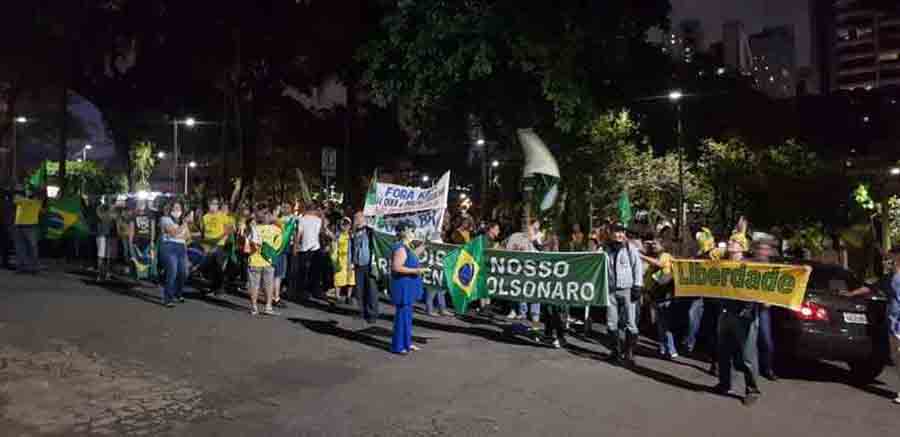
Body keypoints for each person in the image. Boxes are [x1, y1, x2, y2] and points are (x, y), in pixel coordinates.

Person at [714, 220, 762, 406]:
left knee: (748, 356)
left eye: (733, 242)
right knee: (723, 352)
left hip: (744, 315)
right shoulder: (723, 264)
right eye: (730, 241)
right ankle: (725, 384)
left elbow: (757, 290)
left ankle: (752, 390)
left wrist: (748, 309)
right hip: (725, 312)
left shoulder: (749, 266)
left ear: (742, 247)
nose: (730, 244)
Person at [604, 223, 644, 366]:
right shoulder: (605, 249)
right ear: (610, 233)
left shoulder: (630, 248)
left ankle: (629, 353)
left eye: (621, 232)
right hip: (610, 290)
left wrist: (637, 286)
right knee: (611, 322)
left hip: (628, 289)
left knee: (630, 323)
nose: (619, 235)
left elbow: (637, 267)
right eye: (616, 232)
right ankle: (615, 352)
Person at [390, 221, 427, 355]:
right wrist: (416, 271)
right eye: (411, 230)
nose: (413, 233)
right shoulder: (400, 247)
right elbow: (397, 267)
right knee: (402, 316)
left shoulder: (407, 246)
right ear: (403, 232)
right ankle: (398, 346)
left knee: (407, 316)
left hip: (408, 285)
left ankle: (407, 343)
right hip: (402, 285)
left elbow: (414, 255)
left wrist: (425, 244)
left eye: (413, 230)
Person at [642, 238, 677, 359]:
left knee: (665, 324)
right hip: (656, 294)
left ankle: (671, 349)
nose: (653, 246)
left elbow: (660, 265)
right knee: (660, 324)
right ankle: (663, 348)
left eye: (655, 244)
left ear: (663, 245)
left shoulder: (665, 255)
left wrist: (643, 257)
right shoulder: (657, 256)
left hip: (664, 294)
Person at [751, 236, 779, 381]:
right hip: (749, 306)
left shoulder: (774, 267)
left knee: (766, 340)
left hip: (763, 308)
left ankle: (767, 368)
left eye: (766, 249)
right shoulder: (750, 264)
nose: (764, 252)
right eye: (761, 249)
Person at [247, 205, 282, 316]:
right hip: (269, 260)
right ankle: (268, 307)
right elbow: (279, 245)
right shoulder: (276, 229)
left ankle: (254, 307)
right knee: (268, 285)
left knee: (254, 285)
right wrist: (271, 253)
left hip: (254, 260)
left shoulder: (254, 228)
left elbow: (248, 243)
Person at [158, 202, 191, 307]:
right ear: (171, 209)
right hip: (169, 247)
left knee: (184, 272)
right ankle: (168, 299)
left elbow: (187, 237)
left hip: (181, 248)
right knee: (172, 272)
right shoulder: (165, 219)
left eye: (179, 208)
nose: (177, 210)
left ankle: (178, 293)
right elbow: (173, 232)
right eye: (175, 208)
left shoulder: (182, 222)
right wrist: (184, 225)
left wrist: (180, 232)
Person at [201, 198, 234, 296]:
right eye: (211, 203)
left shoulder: (222, 216)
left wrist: (222, 237)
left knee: (218, 267)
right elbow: (203, 231)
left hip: (219, 245)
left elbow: (230, 228)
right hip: (208, 245)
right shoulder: (205, 217)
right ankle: (213, 287)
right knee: (210, 268)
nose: (213, 206)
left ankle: (219, 289)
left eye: (215, 204)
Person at [352, 211, 379, 324]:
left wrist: (368, 225)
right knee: (360, 290)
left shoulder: (369, 231)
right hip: (358, 264)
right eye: (355, 218)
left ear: (363, 219)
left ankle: (372, 314)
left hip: (369, 264)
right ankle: (362, 311)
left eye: (358, 218)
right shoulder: (355, 232)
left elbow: (376, 232)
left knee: (371, 290)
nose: (356, 220)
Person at [294, 203, 323, 301]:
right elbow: (319, 233)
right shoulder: (318, 220)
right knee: (314, 271)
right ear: (314, 210)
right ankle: (313, 290)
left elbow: (299, 234)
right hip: (315, 247)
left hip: (304, 248)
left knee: (302, 271)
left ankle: (301, 291)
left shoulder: (302, 219)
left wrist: (295, 246)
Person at [13, 185, 43, 274]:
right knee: (23, 248)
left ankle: (32, 267)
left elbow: (16, 199)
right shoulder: (33, 201)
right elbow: (16, 200)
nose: (29, 192)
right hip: (21, 225)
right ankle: (24, 267)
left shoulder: (36, 201)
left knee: (29, 247)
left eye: (30, 191)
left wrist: (23, 197)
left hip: (29, 226)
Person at [129, 199, 156, 279]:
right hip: (137, 241)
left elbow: (152, 228)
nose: (141, 204)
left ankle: (146, 275)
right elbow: (131, 229)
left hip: (147, 240)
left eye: (143, 202)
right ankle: (138, 275)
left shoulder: (150, 215)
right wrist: (130, 242)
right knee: (137, 259)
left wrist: (152, 240)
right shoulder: (133, 215)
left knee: (147, 258)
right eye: (139, 203)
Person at [332, 217, 356, 304]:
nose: (345, 226)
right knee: (338, 278)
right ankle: (337, 296)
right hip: (340, 259)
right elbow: (334, 247)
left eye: (347, 224)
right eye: (343, 224)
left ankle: (348, 297)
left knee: (351, 279)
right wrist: (334, 260)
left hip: (350, 260)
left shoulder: (352, 235)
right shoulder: (337, 235)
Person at [95, 199, 118, 280]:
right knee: (102, 256)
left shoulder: (114, 213)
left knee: (110, 257)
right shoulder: (103, 212)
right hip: (103, 236)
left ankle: (107, 274)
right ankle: (101, 274)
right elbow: (98, 211)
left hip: (111, 236)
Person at [0, 187, 15, 270]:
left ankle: (5, 262)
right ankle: (5, 262)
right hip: (5, 223)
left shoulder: (6, 202)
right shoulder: (6, 202)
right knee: (5, 242)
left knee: (5, 242)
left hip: (5, 222)